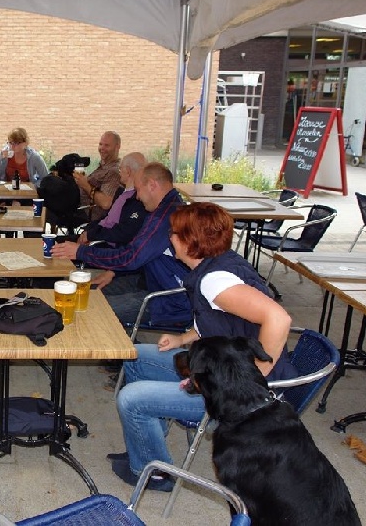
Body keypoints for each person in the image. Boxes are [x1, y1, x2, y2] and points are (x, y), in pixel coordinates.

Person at [106, 202, 298, 492]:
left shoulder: (214, 280)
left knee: (131, 399)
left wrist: (257, 375)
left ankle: (155, 475)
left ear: (190, 242)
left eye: (174, 233)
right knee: (135, 356)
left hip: (239, 395)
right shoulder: (217, 265)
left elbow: (279, 319)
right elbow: (219, 320)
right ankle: (146, 447)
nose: (170, 238)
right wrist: (182, 339)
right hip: (221, 370)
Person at [51, 162, 192, 329]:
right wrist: (113, 272)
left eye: (138, 190)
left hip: (169, 301)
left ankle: (125, 344)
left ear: (152, 185)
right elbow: (142, 254)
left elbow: (131, 257)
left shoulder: (165, 218)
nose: (137, 197)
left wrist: (81, 252)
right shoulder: (167, 209)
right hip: (150, 281)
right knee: (88, 295)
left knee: (91, 309)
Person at [76, 152, 147, 247]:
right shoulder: (120, 192)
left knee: (62, 248)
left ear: (128, 171)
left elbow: (123, 232)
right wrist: (88, 231)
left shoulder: (137, 199)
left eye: (120, 169)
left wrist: (91, 235)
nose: (119, 172)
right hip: (98, 234)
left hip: (107, 244)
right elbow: (107, 218)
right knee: (61, 243)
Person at [73, 131, 122, 221]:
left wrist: (85, 185)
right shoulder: (104, 166)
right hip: (76, 204)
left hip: (86, 213)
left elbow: (106, 203)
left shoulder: (113, 172)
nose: (102, 148)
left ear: (117, 147)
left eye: (107, 145)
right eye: (100, 144)